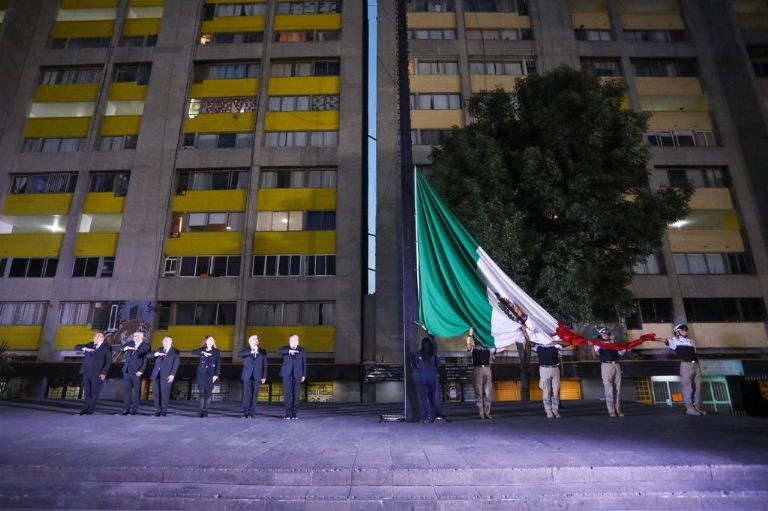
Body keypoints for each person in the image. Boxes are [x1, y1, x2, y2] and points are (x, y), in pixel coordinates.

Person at [665, 323, 707, 416]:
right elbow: (665, 340)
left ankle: (697, 407)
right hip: (686, 364)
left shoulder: (691, 342)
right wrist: (651, 338)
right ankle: (689, 408)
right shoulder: (675, 341)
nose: (685, 331)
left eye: (685, 330)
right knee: (687, 386)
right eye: (682, 330)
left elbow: (694, 352)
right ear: (677, 332)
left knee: (698, 386)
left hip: (695, 364)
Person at [466, 327, 505, 419]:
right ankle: (481, 413)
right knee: (478, 392)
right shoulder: (474, 348)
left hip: (487, 369)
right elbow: (467, 345)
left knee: (488, 392)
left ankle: (487, 413)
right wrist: (470, 334)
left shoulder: (488, 348)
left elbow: (499, 349)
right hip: (477, 369)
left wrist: (510, 339)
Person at [74, 332, 112, 415]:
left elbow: (108, 361)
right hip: (86, 372)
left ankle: (90, 409)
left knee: (94, 392)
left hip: (98, 373)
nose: (96, 337)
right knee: (87, 391)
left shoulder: (106, 347)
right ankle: (84, 408)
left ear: (103, 338)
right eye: (95, 336)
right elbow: (76, 347)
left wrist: (104, 373)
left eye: (98, 336)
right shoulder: (89, 344)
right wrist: (85, 349)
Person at [592, 327, 627, 417]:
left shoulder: (614, 344)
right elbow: (595, 357)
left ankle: (618, 410)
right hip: (605, 366)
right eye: (604, 334)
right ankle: (611, 411)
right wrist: (591, 346)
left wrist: (626, 348)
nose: (606, 335)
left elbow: (622, 353)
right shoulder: (598, 345)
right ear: (600, 335)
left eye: (607, 334)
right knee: (609, 389)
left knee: (618, 389)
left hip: (616, 365)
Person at [118, 331, 150, 415]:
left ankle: (134, 410)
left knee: (136, 391)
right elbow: (120, 348)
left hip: (137, 372)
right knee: (127, 391)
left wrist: (141, 370)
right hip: (127, 370)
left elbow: (145, 359)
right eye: (134, 335)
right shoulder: (130, 343)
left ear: (141, 337)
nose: (134, 337)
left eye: (136, 336)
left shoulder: (146, 345)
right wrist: (125, 348)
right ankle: (125, 409)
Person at [413, 333, 442, 423]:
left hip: (423, 376)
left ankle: (426, 417)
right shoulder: (433, 353)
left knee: (424, 398)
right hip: (431, 376)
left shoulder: (419, 353)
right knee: (432, 397)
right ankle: (433, 416)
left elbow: (415, 364)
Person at [148, 336, 180, 417]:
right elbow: (148, 356)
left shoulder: (175, 351)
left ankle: (164, 410)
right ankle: (157, 410)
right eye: (163, 340)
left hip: (167, 375)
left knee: (164, 393)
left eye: (167, 340)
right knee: (156, 393)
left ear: (171, 341)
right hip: (156, 375)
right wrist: (156, 354)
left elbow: (176, 363)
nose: (164, 341)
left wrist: (172, 374)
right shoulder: (159, 349)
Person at [534, 337, 564, 418]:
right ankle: (548, 411)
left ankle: (555, 410)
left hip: (555, 368)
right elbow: (530, 342)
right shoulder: (539, 346)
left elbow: (567, 343)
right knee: (546, 391)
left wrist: (562, 369)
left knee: (556, 391)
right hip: (544, 369)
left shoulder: (556, 345)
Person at [238, 335, 267, 418]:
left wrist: (264, 376)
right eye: (254, 339)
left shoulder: (262, 351)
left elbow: (265, 364)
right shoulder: (246, 351)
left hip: (257, 376)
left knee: (254, 395)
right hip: (247, 375)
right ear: (250, 341)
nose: (256, 340)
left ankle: (252, 412)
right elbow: (239, 354)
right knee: (247, 395)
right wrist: (251, 352)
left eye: (256, 339)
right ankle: (245, 412)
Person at [191, 335, 220, 418]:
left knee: (208, 394)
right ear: (206, 341)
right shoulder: (202, 349)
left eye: (212, 340)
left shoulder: (216, 351)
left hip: (211, 374)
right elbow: (192, 352)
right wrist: (202, 352)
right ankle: (200, 411)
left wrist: (216, 375)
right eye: (209, 340)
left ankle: (206, 411)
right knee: (201, 393)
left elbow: (218, 363)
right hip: (201, 374)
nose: (211, 341)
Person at [278, 334, 306, 420]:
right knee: (287, 394)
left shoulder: (301, 349)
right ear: (290, 340)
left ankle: (294, 414)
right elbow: (279, 352)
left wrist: (304, 374)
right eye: (295, 339)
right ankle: (287, 413)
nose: (297, 340)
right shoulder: (285, 349)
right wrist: (289, 351)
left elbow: (304, 363)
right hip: (287, 374)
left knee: (296, 395)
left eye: (297, 339)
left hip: (297, 374)